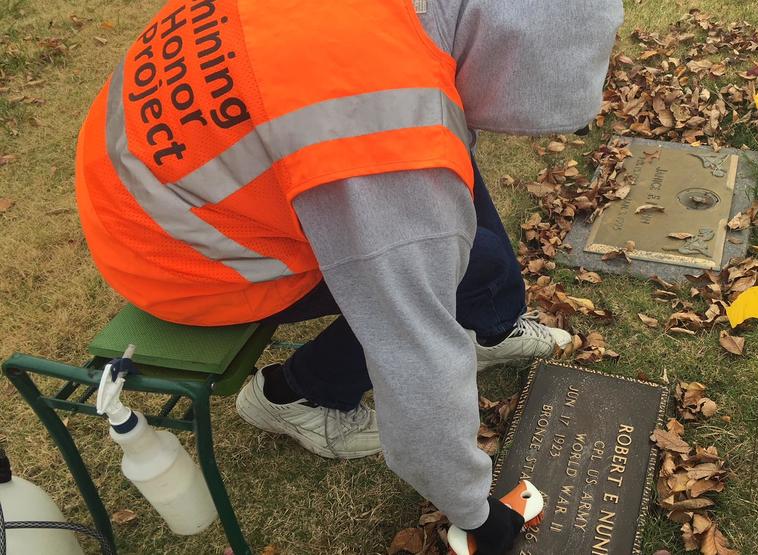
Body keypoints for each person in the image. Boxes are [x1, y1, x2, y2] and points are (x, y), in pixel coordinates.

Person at [74, 0, 622, 552]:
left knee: (440, 170)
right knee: (432, 258)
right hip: (185, 258)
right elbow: (413, 350)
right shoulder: (378, 125)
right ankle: (295, 394)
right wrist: (475, 515)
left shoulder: (394, 42)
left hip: (145, 180)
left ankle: (491, 323)